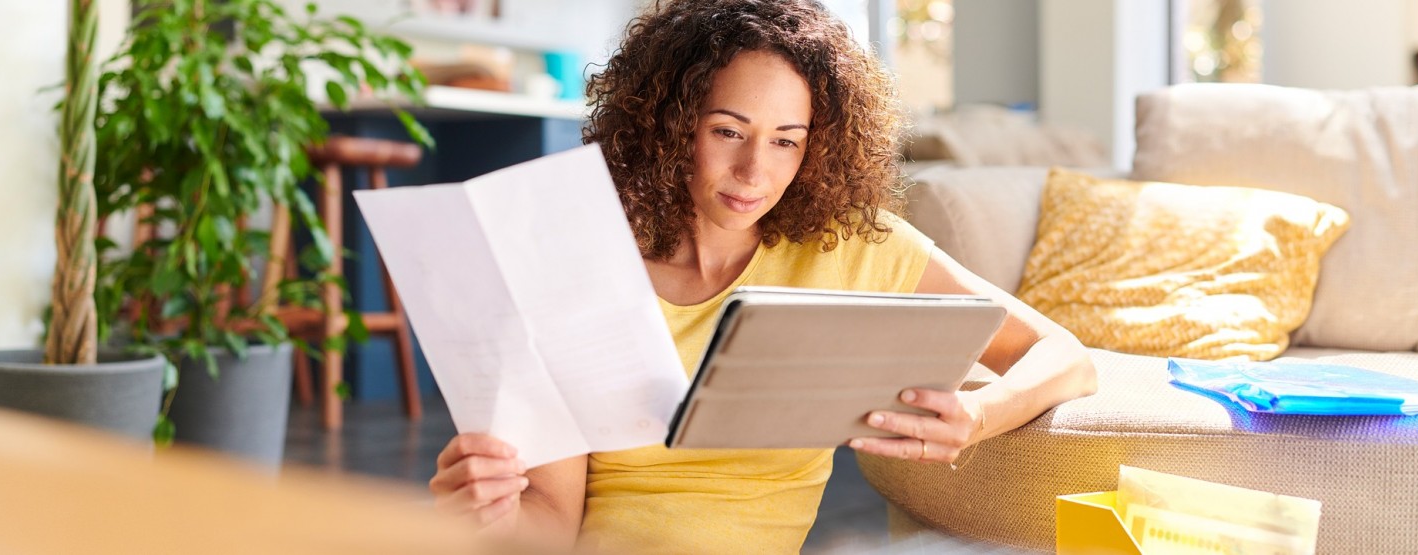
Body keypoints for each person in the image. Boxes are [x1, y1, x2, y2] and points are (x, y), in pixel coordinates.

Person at [428, 0, 1097, 552]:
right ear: (671, 124)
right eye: (728, 131)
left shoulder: (851, 247)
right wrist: (491, 513)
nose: (756, 170)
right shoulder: (583, 264)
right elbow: (551, 521)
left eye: (786, 140)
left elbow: (1065, 355)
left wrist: (978, 414)